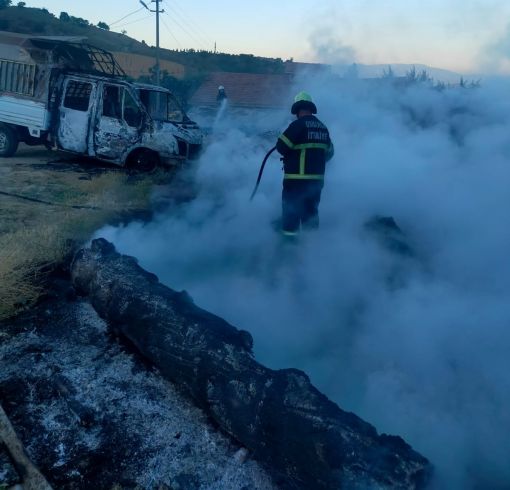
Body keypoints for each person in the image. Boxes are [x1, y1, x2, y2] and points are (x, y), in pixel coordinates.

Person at [276, 91, 334, 236]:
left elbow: (281, 147)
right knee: (311, 215)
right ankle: (311, 250)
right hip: (316, 183)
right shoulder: (323, 128)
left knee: (291, 215)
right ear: (310, 108)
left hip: (295, 182)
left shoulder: (297, 126)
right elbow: (330, 153)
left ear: (297, 110)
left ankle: (289, 249)